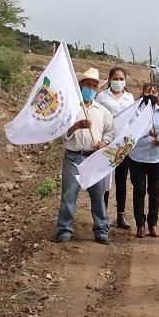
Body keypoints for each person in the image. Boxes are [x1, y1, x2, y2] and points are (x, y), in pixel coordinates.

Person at [57, 68, 115, 245]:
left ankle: (101, 230)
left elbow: (110, 133)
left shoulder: (103, 111)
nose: (91, 88)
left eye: (94, 86)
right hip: (74, 157)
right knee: (69, 196)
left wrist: (104, 143)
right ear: (81, 86)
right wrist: (77, 126)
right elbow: (62, 134)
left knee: (98, 197)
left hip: (94, 158)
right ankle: (64, 231)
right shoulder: (71, 109)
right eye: (88, 85)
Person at [129, 83, 159, 238]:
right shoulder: (135, 112)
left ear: (158, 94)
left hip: (156, 158)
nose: (151, 94)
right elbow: (129, 133)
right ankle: (140, 224)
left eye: (154, 92)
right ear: (143, 93)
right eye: (148, 91)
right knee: (139, 190)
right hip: (137, 157)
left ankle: (152, 224)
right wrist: (146, 131)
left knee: (154, 191)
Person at [96, 66, 135, 229]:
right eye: (115, 79)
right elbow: (98, 117)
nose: (118, 82)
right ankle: (102, 214)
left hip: (123, 143)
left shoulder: (129, 97)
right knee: (104, 180)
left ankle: (120, 215)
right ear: (109, 80)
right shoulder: (102, 97)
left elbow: (133, 119)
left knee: (121, 179)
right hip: (106, 142)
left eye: (121, 79)